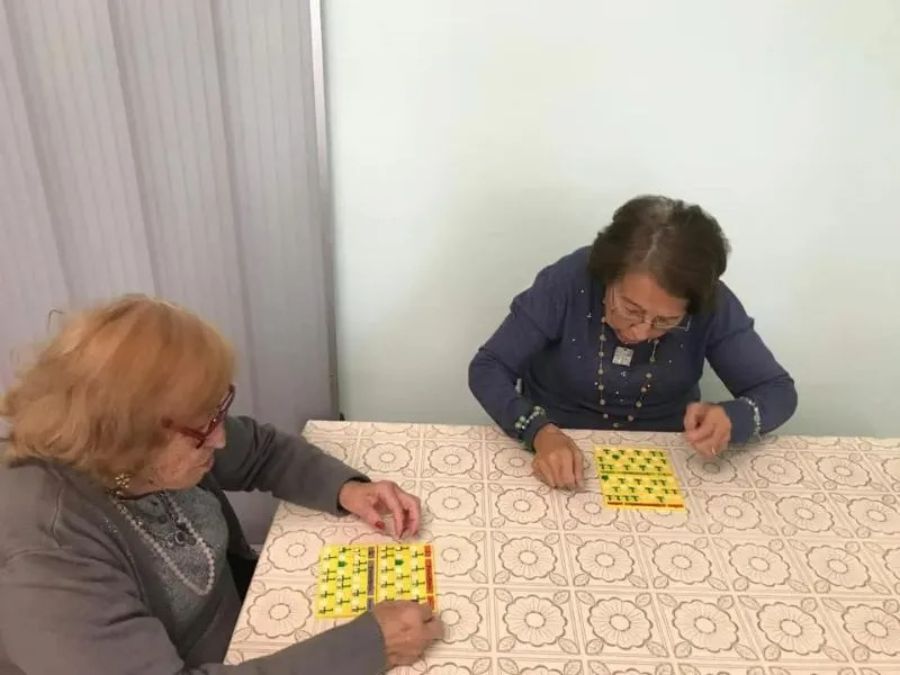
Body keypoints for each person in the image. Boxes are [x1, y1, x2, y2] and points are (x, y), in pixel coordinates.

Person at [0, 295, 442, 674]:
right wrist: (368, 647)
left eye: (217, 410)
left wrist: (347, 489)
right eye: (205, 426)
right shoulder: (47, 562)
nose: (221, 436)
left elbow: (262, 451)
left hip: (249, 631)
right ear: (128, 439)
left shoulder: (156, 437)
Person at [469, 195, 798, 489]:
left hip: (668, 463)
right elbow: (488, 368)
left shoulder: (711, 303)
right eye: (630, 308)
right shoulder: (569, 282)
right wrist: (539, 432)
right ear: (607, 276)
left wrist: (733, 418)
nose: (640, 331)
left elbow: (778, 391)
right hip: (559, 451)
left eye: (666, 321)